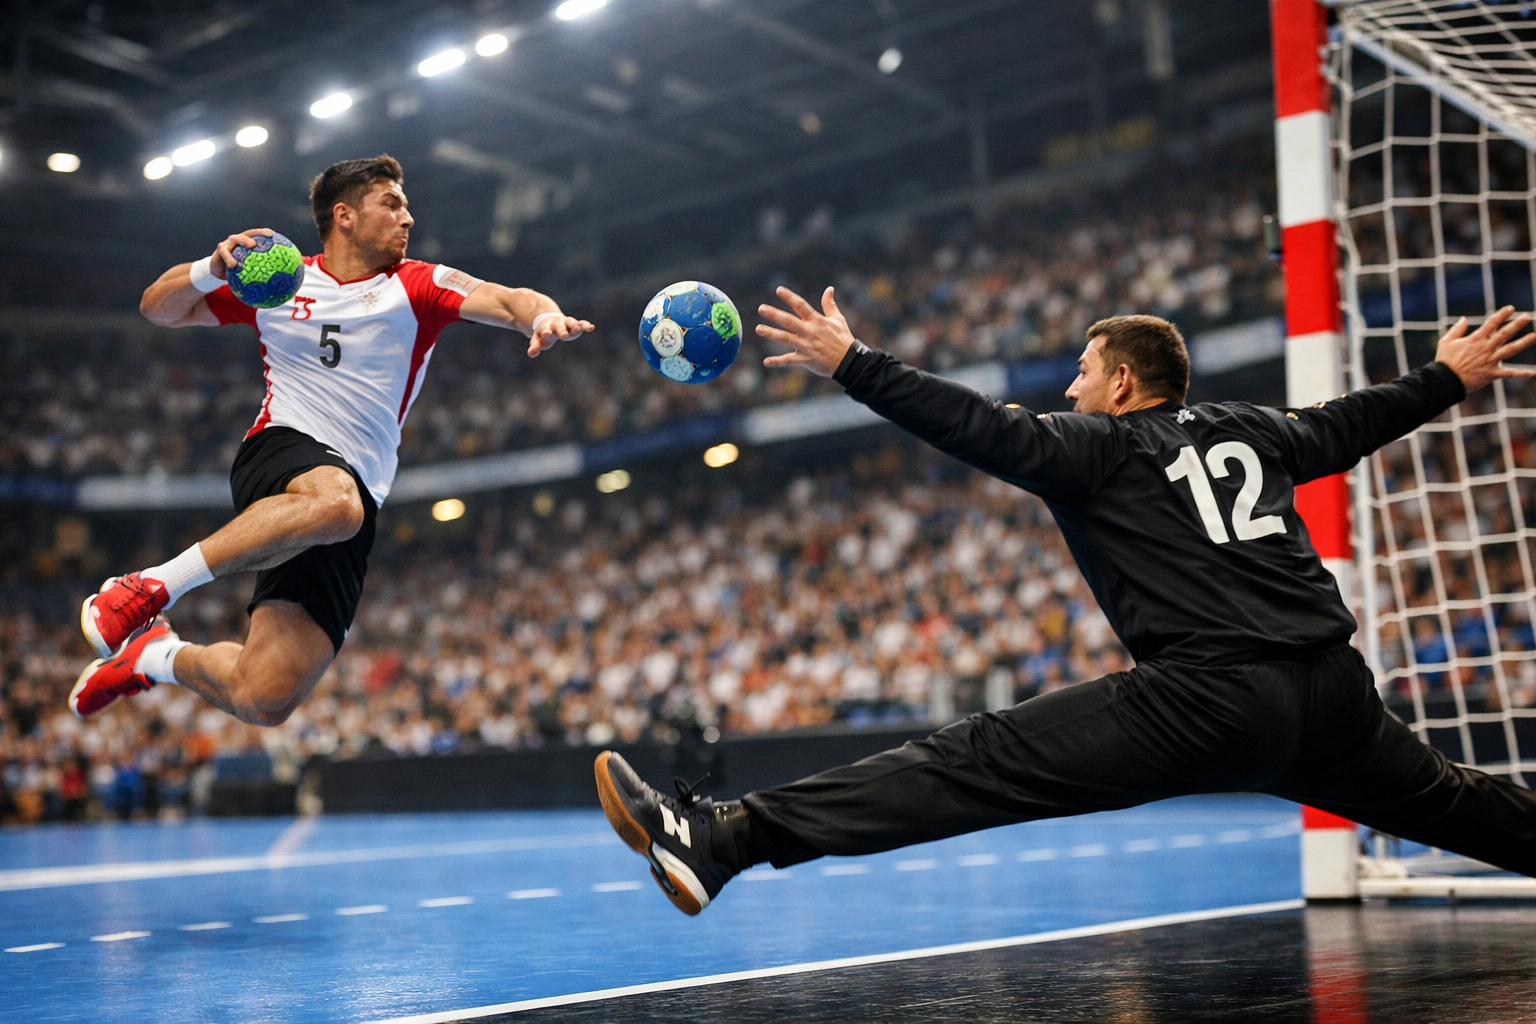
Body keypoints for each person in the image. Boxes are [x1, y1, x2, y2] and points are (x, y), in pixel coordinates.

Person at [594, 285, 1536, 916]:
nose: (1072, 387)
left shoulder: (1103, 447)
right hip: (1333, 693)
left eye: (1084, 373)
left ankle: (721, 838)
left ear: (1123, 380)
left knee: (976, 760)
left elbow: (978, 428)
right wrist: (1444, 379)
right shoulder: (1258, 428)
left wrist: (854, 363)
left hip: (1210, 698)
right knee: (1457, 803)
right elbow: (1350, 423)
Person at [71, 154, 593, 725]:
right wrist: (210, 268)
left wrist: (542, 318)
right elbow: (158, 308)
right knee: (334, 503)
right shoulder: (278, 279)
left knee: (262, 696)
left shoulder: (417, 285)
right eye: (392, 204)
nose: (408, 218)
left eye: (407, 206)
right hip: (281, 448)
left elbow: (510, 297)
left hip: (357, 494)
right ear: (343, 215)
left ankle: (158, 657)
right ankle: (148, 589)